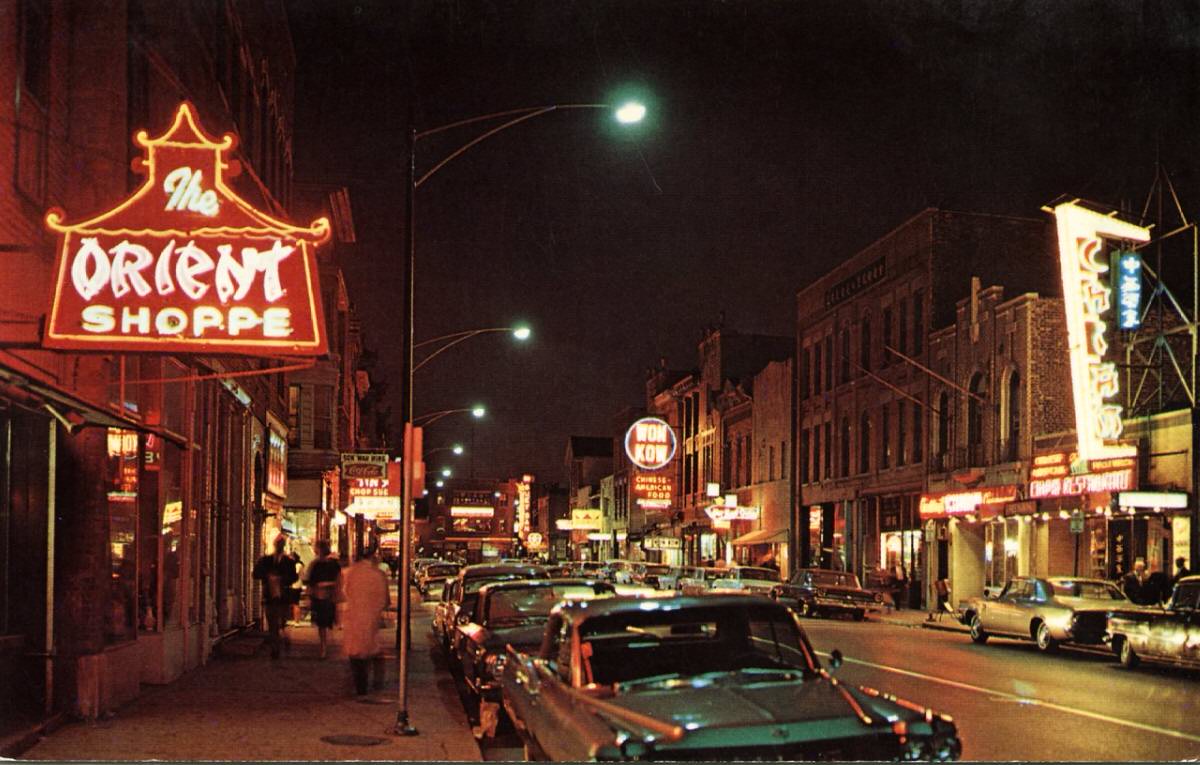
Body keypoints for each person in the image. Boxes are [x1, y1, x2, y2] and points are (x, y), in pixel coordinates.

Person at [343, 545, 390, 695]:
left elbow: (346, 593)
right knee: (373, 651)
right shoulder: (378, 575)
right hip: (371, 617)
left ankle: (360, 687)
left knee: (357, 654)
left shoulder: (351, 573)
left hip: (354, 617)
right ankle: (376, 683)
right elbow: (385, 600)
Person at [253, 535, 300, 659]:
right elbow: (256, 573)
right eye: (278, 544)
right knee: (273, 623)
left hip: (283, 596)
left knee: (282, 622)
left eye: (281, 544)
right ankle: (275, 648)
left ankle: (283, 637)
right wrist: (267, 577)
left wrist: (282, 579)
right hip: (270, 596)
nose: (279, 546)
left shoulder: (288, 562)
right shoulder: (266, 560)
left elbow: (294, 577)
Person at [304, 540, 341, 659]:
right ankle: (324, 646)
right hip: (323, 596)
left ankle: (324, 646)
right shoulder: (322, 564)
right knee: (323, 623)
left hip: (324, 596)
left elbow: (309, 580)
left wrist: (321, 586)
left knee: (324, 624)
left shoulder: (319, 564)